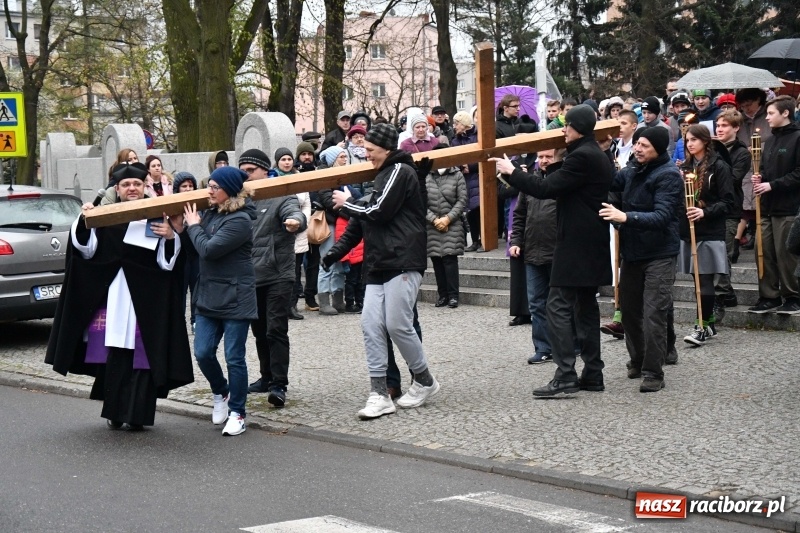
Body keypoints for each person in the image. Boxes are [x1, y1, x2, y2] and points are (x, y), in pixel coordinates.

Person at [45, 162, 193, 430]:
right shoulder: (105, 215)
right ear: (118, 188)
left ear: (144, 186)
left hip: (145, 303)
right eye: (126, 185)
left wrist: (172, 237)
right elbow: (84, 250)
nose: (132, 189)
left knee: (143, 355)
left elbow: (167, 264)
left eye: (137, 184)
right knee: (116, 354)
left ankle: (138, 416)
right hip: (115, 298)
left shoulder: (156, 216)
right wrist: (85, 219)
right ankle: (114, 411)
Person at [493, 104, 613, 396]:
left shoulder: (582, 156)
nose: (562, 130)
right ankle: (593, 373)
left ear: (578, 128)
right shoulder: (592, 154)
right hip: (590, 241)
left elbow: (547, 190)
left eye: (566, 125)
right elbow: (568, 182)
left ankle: (565, 374)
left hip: (574, 243)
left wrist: (511, 172)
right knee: (585, 307)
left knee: (556, 306)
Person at [328, 123, 440, 419]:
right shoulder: (384, 174)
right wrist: (336, 251)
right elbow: (366, 220)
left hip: (402, 258)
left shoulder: (400, 171)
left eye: (371, 150)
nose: (367, 155)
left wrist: (347, 203)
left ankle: (425, 380)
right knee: (371, 326)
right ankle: (380, 393)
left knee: (398, 325)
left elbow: (378, 211)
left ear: (388, 149)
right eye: (365, 150)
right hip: (379, 262)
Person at [599, 127, 683, 392]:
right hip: (633, 253)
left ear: (657, 148)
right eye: (636, 144)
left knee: (653, 314)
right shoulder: (632, 169)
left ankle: (653, 372)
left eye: (644, 145)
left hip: (659, 253)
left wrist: (626, 217)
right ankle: (637, 359)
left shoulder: (669, 175)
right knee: (630, 312)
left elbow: (662, 217)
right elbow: (610, 186)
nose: (637, 149)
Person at [184, 166, 256, 436]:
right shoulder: (210, 213)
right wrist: (181, 229)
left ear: (229, 191)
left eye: (215, 187)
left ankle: (238, 412)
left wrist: (193, 227)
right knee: (202, 352)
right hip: (209, 295)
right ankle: (221, 392)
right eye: (209, 186)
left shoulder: (240, 220)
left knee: (234, 357)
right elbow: (194, 246)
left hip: (237, 296)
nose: (209, 191)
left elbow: (209, 249)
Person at [238, 149, 307, 405]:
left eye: (250, 171)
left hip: (279, 274)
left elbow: (296, 212)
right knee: (259, 331)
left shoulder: (281, 193)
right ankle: (266, 377)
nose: (245, 176)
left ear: (265, 171)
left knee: (276, 329)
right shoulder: (240, 198)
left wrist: (294, 221)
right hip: (250, 275)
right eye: (242, 171)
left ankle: (279, 384)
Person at [679, 125, 735, 345]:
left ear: (705, 141)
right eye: (687, 140)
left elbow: (728, 201)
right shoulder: (685, 167)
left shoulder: (719, 166)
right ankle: (709, 322)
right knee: (697, 279)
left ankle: (701, 325)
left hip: (709, 228)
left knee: (704, 278)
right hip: (689, 228)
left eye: (694, 139)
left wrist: (704, 210)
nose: (690, 144)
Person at [749, 95, 800, 315]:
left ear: (785, 113)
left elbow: (798, 174)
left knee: (785, 253)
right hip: (767, 206)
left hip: (788, 206)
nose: (767, 117)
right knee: (763, 250)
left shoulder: (798, 138)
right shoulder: (769, 140)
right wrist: (760, 179)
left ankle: (793, 295)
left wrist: (773, 185)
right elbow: (768, 171)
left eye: (771, 113)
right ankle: (769, 295)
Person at [509, 149, 559, 364]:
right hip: (532, 252)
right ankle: (543, 347)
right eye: (541, 157)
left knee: (562, 304)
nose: (544, 160)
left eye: (549, 156)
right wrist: (516, 242)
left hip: (557, 251)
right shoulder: (530, 182)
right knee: (537, 303)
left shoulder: (561, 181)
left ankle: (571, 345)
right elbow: (519, 214)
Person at [712, 110, 751, 319]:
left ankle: (720, 297)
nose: (720, 129)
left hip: (729, 208)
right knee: (714, 254)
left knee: (723, 253)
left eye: (725, 125)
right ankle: (728, 293)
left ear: (736, 128)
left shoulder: (742, 153)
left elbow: (732, 179)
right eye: (718, 125)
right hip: (710, 208)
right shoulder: (712, 149)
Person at [425, 146, 467, 308]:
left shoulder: (457, 175)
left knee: (450, 259)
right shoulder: (427, 176)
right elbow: (420, 201)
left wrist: (447, 219)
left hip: (452, 223)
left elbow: (462, 200)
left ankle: (453, 295)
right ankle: (442, 294)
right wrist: (434, 220)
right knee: (436, 259)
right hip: (432, 224)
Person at [316, 145, 352, 315]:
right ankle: (323, 301)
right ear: (332, 160)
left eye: (346, 156)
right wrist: (351, 211)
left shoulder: (344, 178)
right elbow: (329, 202)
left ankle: (338, 299)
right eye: (341, 157)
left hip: (343, 223)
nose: (345, 159)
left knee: (339, 262)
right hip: (331, 224)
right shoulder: (324, 178)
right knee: (326, 260)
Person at [295, 142, 322, 311]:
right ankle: (295, 294)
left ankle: (310, 296)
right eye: (303, 154)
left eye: (309, 154)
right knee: (295, 262)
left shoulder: (318, 173)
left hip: (315, 221)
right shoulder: (295, 174)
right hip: (298, 221)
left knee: (313, 262)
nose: (307, 157)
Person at [173, 171, 200, 333]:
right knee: (180, 290)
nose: (188, 189)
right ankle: (178, 321)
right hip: (180, 257)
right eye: (184, 186)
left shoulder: (200, 208)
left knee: (197, 289)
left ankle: (196, 320)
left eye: (191, 186)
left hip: (196, 255)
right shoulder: (173, 209)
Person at [450, 111, 481, 251]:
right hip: (464, 179)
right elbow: (453, 158)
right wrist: (461, 166)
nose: (454, 126)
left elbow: (482, 155)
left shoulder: (478, 136)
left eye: (456, 123)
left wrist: (471, 166)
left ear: (463, 124)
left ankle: (482, 239)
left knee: (478, 209)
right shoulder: (455, 140)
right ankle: (475, 241)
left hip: (478, 177)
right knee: (469, 211)